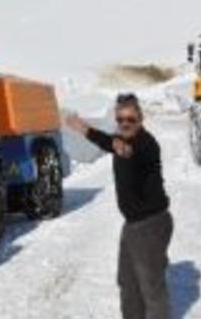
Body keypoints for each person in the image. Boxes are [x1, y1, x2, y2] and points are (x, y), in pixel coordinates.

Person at [65, 93, 172, 319]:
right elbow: (108, 141)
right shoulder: (120, 140)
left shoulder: (146, 144)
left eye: (130, 119)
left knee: (152, 289)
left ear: (140, 119)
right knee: (127, 283)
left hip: (151, 224)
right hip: (133, 225)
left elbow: (128, 150)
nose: (125, 124)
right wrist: (84, 128)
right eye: (120, 119)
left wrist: (121, 147)